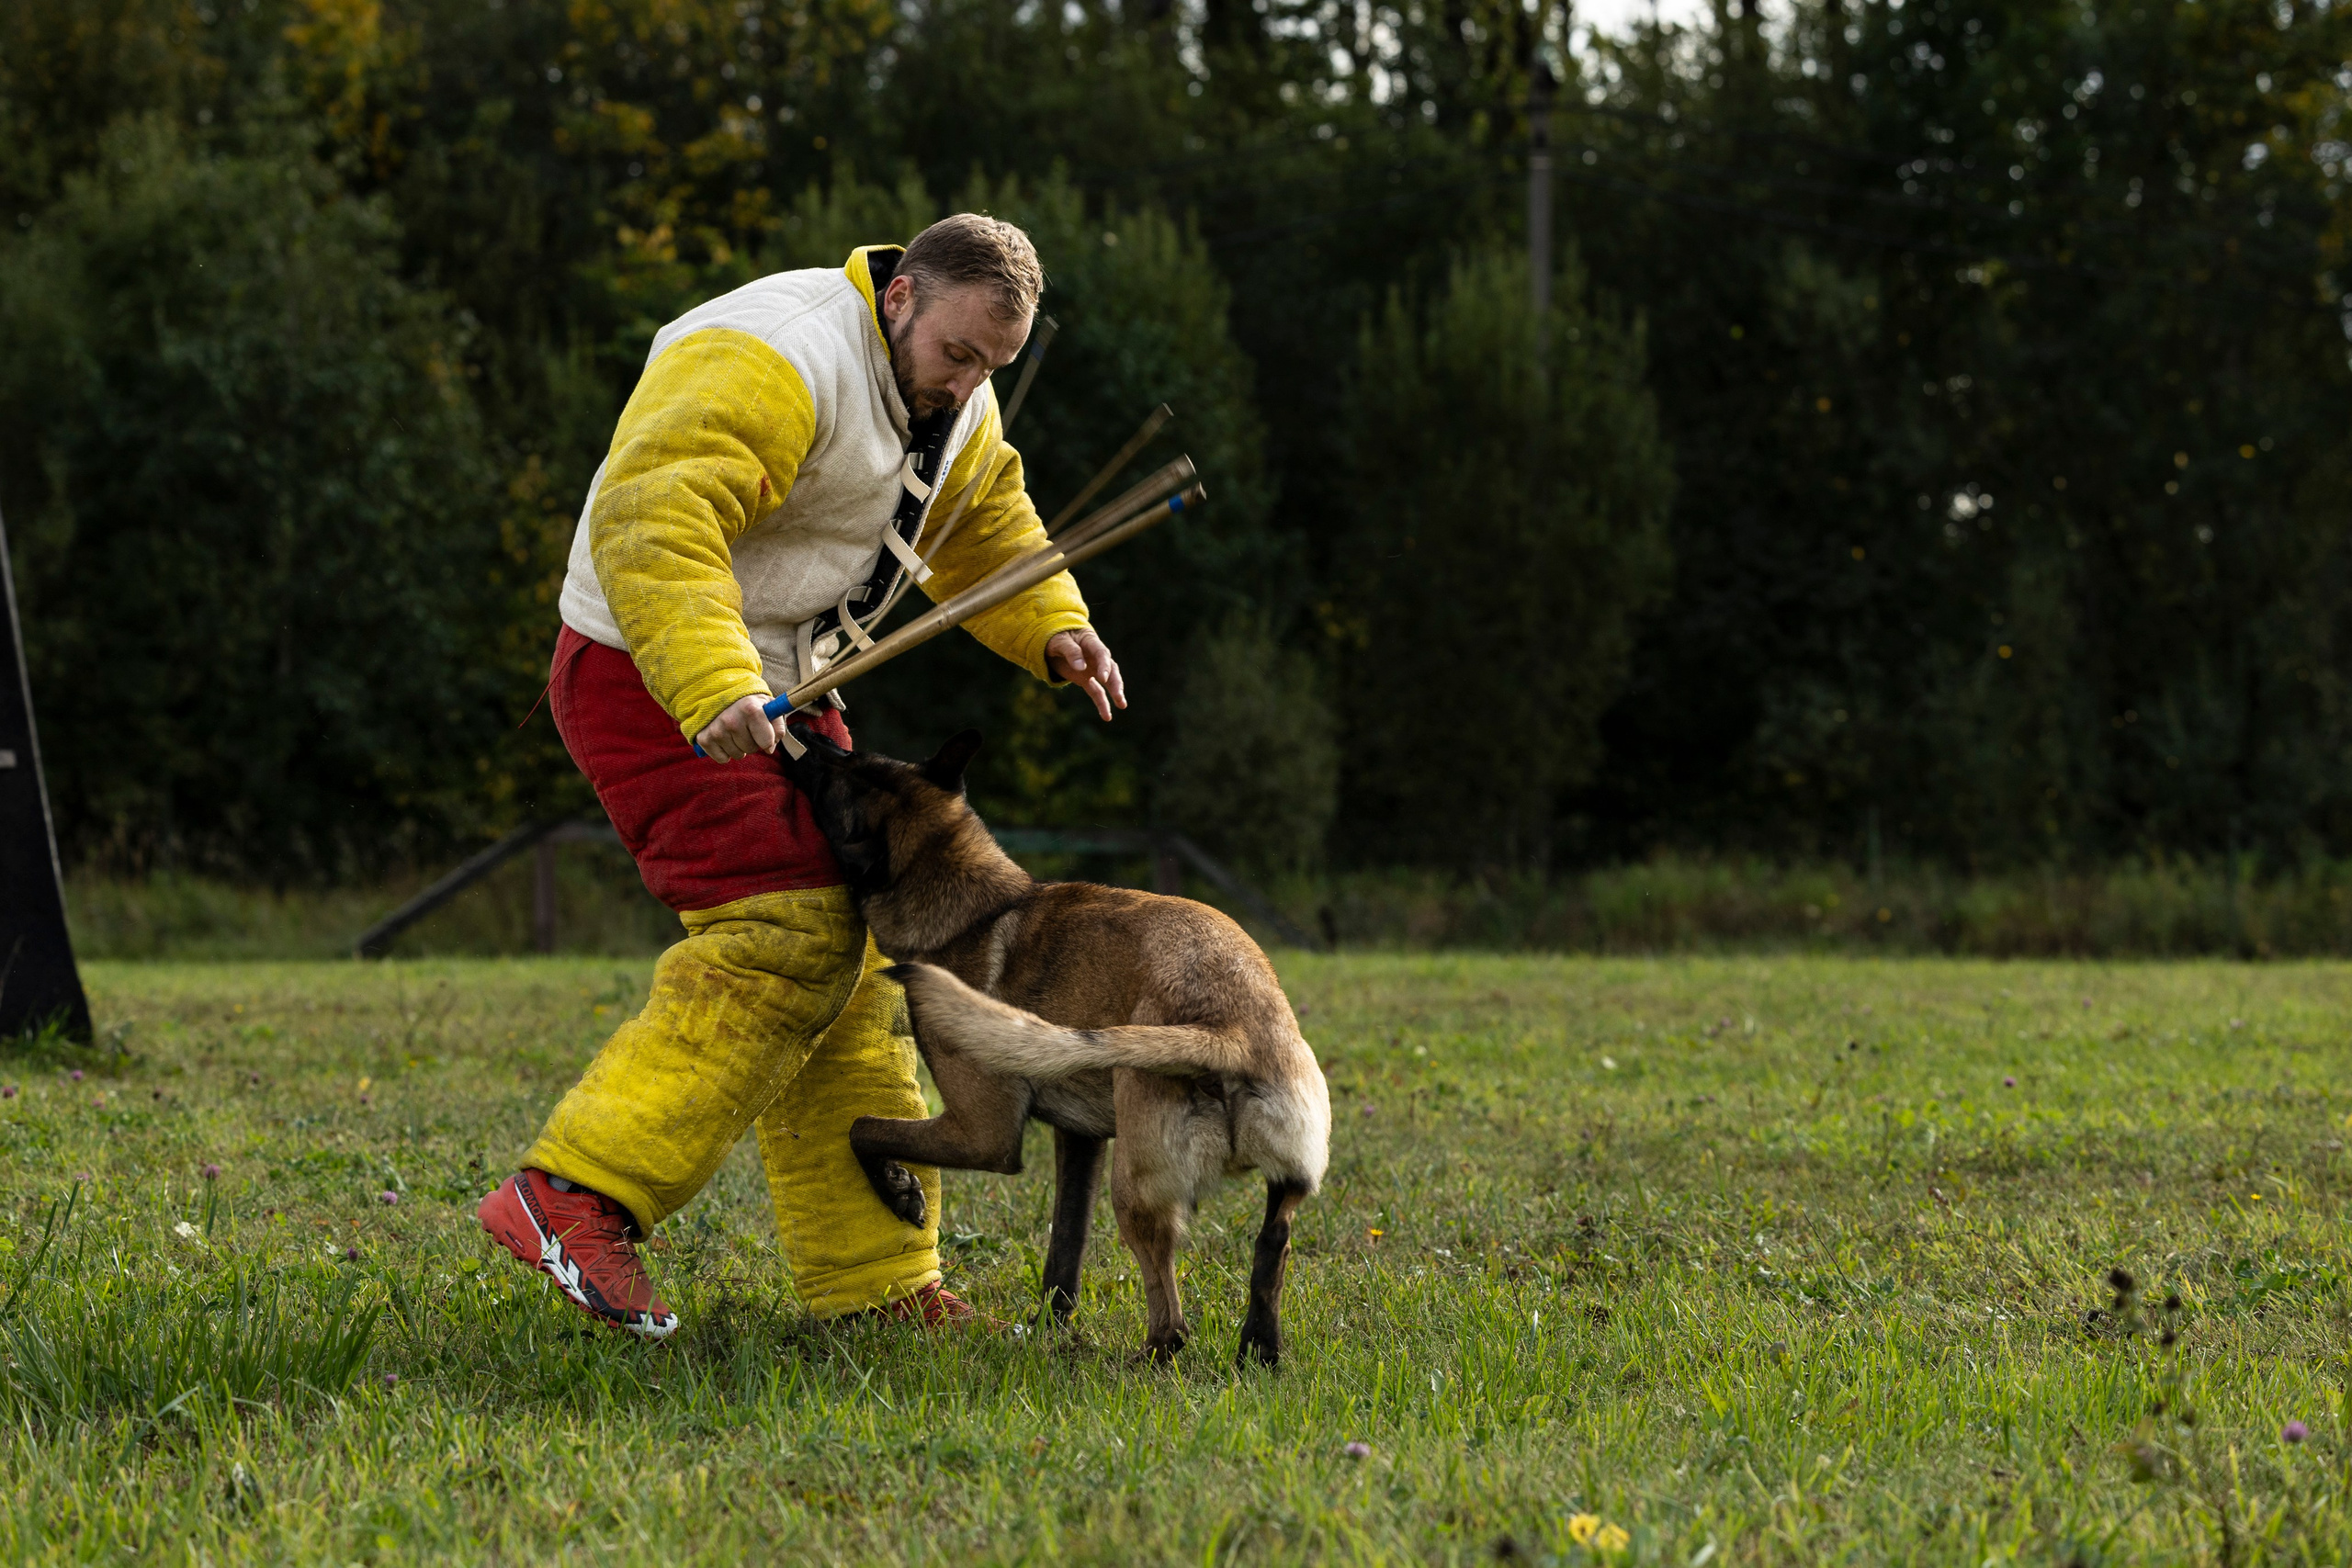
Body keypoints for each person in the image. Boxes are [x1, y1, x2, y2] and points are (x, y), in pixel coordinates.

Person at [478, 214, 1125, 1336]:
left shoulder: (954, 391)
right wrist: (714, 679)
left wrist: (1054, 624)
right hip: (653, 667)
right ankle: (571, 1196)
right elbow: (656, 512)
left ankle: (875, 1284)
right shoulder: (773, 351)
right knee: (786, 934)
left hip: (783, 686)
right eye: (958, 357)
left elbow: (980, 521)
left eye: (991, 367)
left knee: (861, 954)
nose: (968, 385)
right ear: (900, 296)